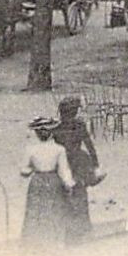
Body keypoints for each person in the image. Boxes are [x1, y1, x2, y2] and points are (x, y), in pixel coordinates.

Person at [19, 117, 75, 248]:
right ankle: (52, 241)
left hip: (39, 181)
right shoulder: (58, 149)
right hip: (52, 181)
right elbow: (64, 170)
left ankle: (37, 242)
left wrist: (31, 169)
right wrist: (69, 183)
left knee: (39, 211)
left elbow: (24, 170)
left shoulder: (31, 149)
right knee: (51, 210)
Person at [54, 95, 99, 243]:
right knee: (80, 194)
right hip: (79, 162)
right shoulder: (79, 126)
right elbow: (89, 144)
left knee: (65, 195)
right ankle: (82, 228)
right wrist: (95, 163)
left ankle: (67, 228)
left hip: (63, 162)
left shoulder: (57, 128)